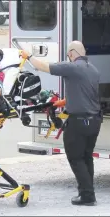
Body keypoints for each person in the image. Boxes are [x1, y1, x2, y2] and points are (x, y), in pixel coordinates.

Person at [22, 41, 102, 206]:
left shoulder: (72, 67)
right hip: (94, 121)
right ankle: (87, 191)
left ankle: (87, 196)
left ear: (72, 53)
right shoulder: (93, 70)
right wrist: (62, 103)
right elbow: (85, 95)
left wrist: (27, 56)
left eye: (68, 54)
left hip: (79, 121)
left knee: (75, 157)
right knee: (86, 157)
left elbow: (43, 66)